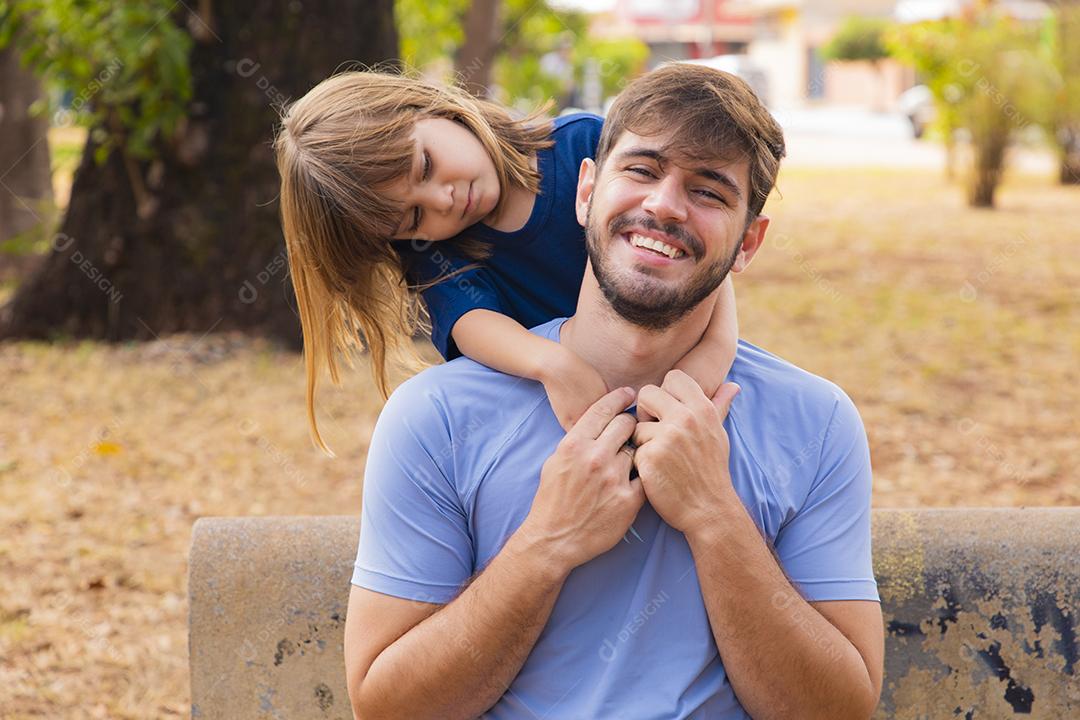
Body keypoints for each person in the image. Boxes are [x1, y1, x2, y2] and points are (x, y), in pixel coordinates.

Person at [342, 63, 884, 719]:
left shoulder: (816, 423)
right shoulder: (436, 418)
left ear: (748, 244)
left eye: (709, 191)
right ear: (585, 192)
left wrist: (714, 514)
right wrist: (549, 541)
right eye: (643, 170)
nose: (664, 204)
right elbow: (388, 709)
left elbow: (842, 711)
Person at [273, 70, 738, 447]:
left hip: (683, 381)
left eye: (426, 166)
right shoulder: (439, 254)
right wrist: (552, 365)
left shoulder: (584, 144)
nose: (444, 199)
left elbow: (698, 256)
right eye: (413, 216)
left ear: (431, 108)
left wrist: (714, 357)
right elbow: (472, 324)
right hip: (575, 417)